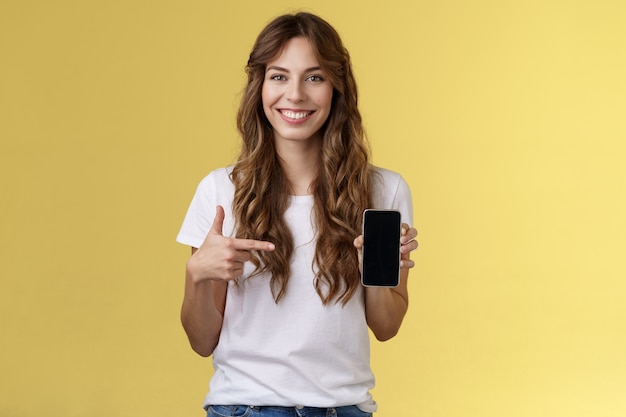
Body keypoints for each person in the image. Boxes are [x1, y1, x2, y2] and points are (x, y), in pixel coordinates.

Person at [176, 12, 418, 417]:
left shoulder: (383, 191)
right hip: (246, 408)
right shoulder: (221, 190)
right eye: (279, 76)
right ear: (260, 86)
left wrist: (373, 271)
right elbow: (202, 341)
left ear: (337, 88)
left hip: (346, 409)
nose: (295, 95)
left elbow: (386, 327)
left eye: (314, 77)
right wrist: (197, 274)